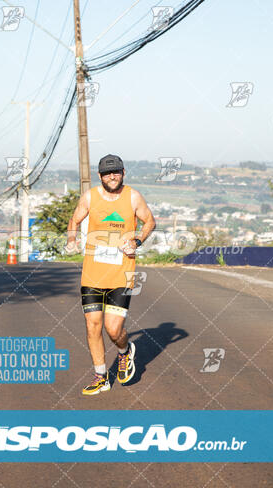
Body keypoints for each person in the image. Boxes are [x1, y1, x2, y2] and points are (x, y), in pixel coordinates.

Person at [66, 154, 156, 395]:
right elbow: (74, 221)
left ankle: (125, 352)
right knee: (92, 326)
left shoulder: (133, 196)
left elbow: (149, 222)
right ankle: (101, 376)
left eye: (116, 172)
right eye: (107, 173)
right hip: (92, 275)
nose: (112, 176)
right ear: (100, 176)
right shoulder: (90, 197)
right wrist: (72, 238)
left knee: (113, 329)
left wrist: (137, 239)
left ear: (123, 173)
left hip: (122, 274)